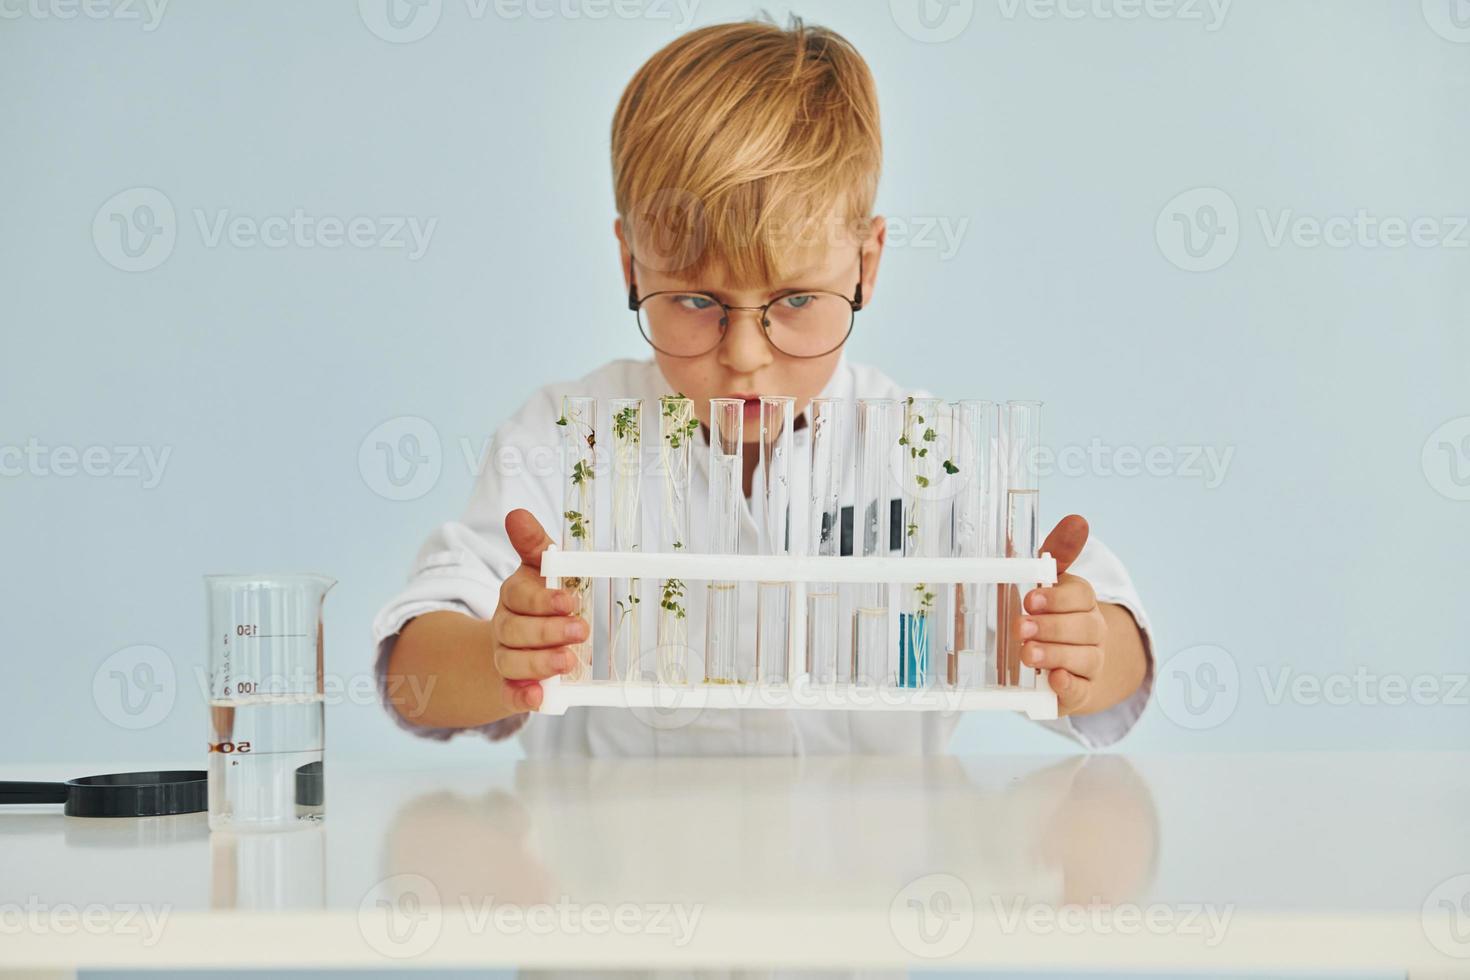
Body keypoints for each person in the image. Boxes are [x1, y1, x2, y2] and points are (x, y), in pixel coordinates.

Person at [373, 18, 1152, 756]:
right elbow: (415, 681)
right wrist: (498, 653)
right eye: (695, 302)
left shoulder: (928, 454)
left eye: (796, 301)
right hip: (615, 888)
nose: (745, 355)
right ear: (631, 266)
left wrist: (1081, 646)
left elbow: (1125, 662)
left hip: (873, 885)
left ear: (866, 265)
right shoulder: (565, 439)